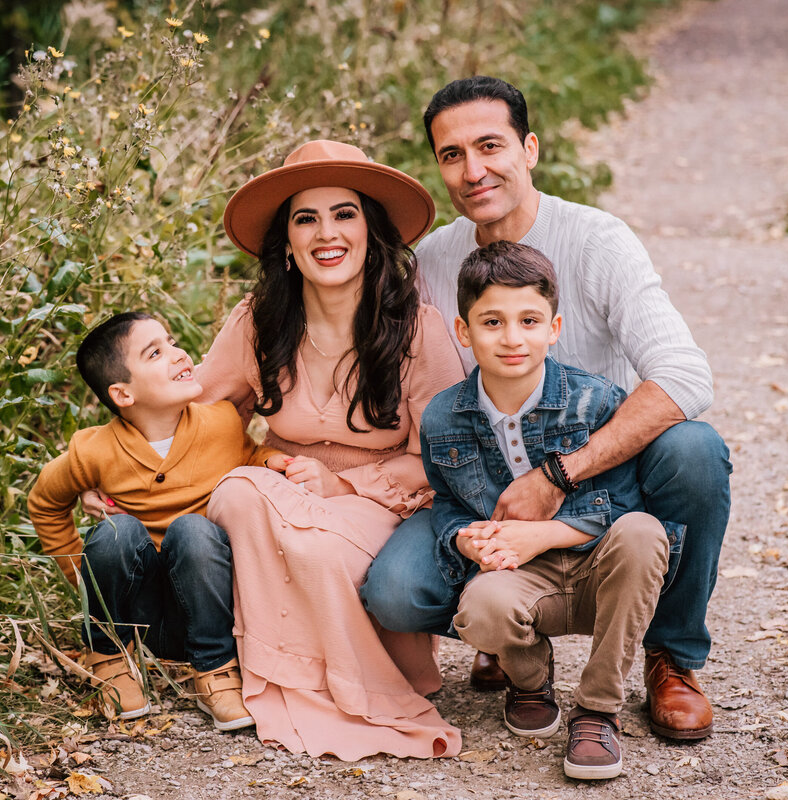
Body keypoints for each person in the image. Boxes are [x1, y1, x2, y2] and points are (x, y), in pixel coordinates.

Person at [361, 75, 732, 741]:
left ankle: (670, 654)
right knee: (396, 589)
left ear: (529, 148)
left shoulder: (597, 241)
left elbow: (684, 374)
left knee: (694, 450)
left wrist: (558, 476)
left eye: (490, 146)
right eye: (452, 155)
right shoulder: (434, 261)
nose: (473, 171)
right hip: (483, 486)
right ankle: (506, 634)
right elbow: (397, 379)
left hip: (599, 472)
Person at [194, 140, 465, 759]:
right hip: (276, 489)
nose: (326, 233)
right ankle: (295, 672)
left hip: (379, 502)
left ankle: (358, 687)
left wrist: (340, 485)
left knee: (312, 545)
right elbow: (201, 418)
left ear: (371, 231)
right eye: (305, 218)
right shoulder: (257, 322)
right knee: (239, 492)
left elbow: (443, 458)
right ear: (286, 244)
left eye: (344, 214)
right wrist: (132, 472)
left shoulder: (416, 329)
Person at [423, 241, 674, 779]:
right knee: (482, 605)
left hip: (598, 573)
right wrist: (462, 539)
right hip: (520, 579)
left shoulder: (598, 401)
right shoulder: (442, 418)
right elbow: (445, 501)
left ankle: (597, 709)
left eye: (529, 320)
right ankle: (530, 680)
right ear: (463, 333)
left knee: (643, 532)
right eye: (492, 321)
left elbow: (623, 506)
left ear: (554, 327)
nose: (512, 338)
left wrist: (541, 535)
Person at [27, 311, 287, 730]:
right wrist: (80, 574)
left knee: (193, 529)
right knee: (118, 531)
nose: (178, 354)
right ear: (123, 394)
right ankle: (109, 658)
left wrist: (276, 462)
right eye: (155, 352)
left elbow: (251, 456)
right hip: (138, 614)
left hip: (207, 607)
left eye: (172, 341)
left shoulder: (220, 422)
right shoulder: (93, 450)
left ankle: (215, 670)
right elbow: (44, 503)